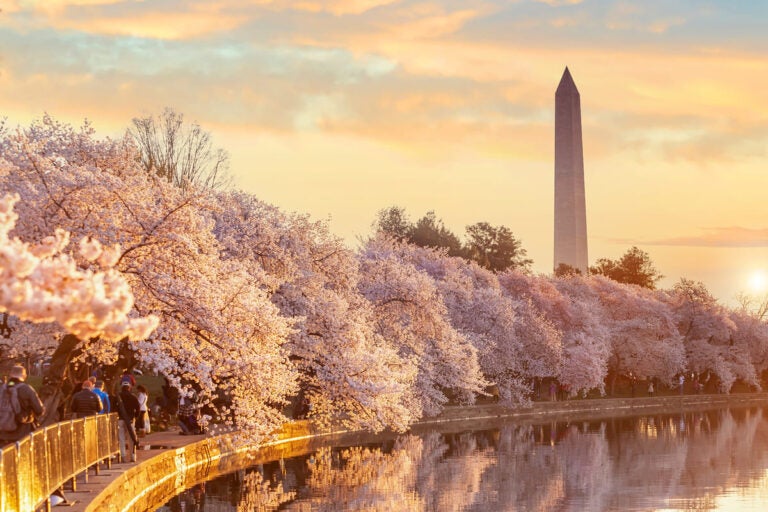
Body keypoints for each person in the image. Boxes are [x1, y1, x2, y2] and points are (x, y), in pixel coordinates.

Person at [0, 365, 44, 446]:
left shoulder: (2, 388)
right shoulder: (26, 389)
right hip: (21, 433)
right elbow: (40, 410)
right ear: (24, 376)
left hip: (2, 434)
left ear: (10, 374)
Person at [115, 382, 140, 462]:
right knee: (131, 438)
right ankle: (133, 456)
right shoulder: (133, 397)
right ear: (129, 388)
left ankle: (122, 456)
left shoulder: (118, 397)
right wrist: (135, 416)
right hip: (130, 420)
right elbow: (138, 408)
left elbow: (114, 408)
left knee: (121, 438)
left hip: (120, 419)